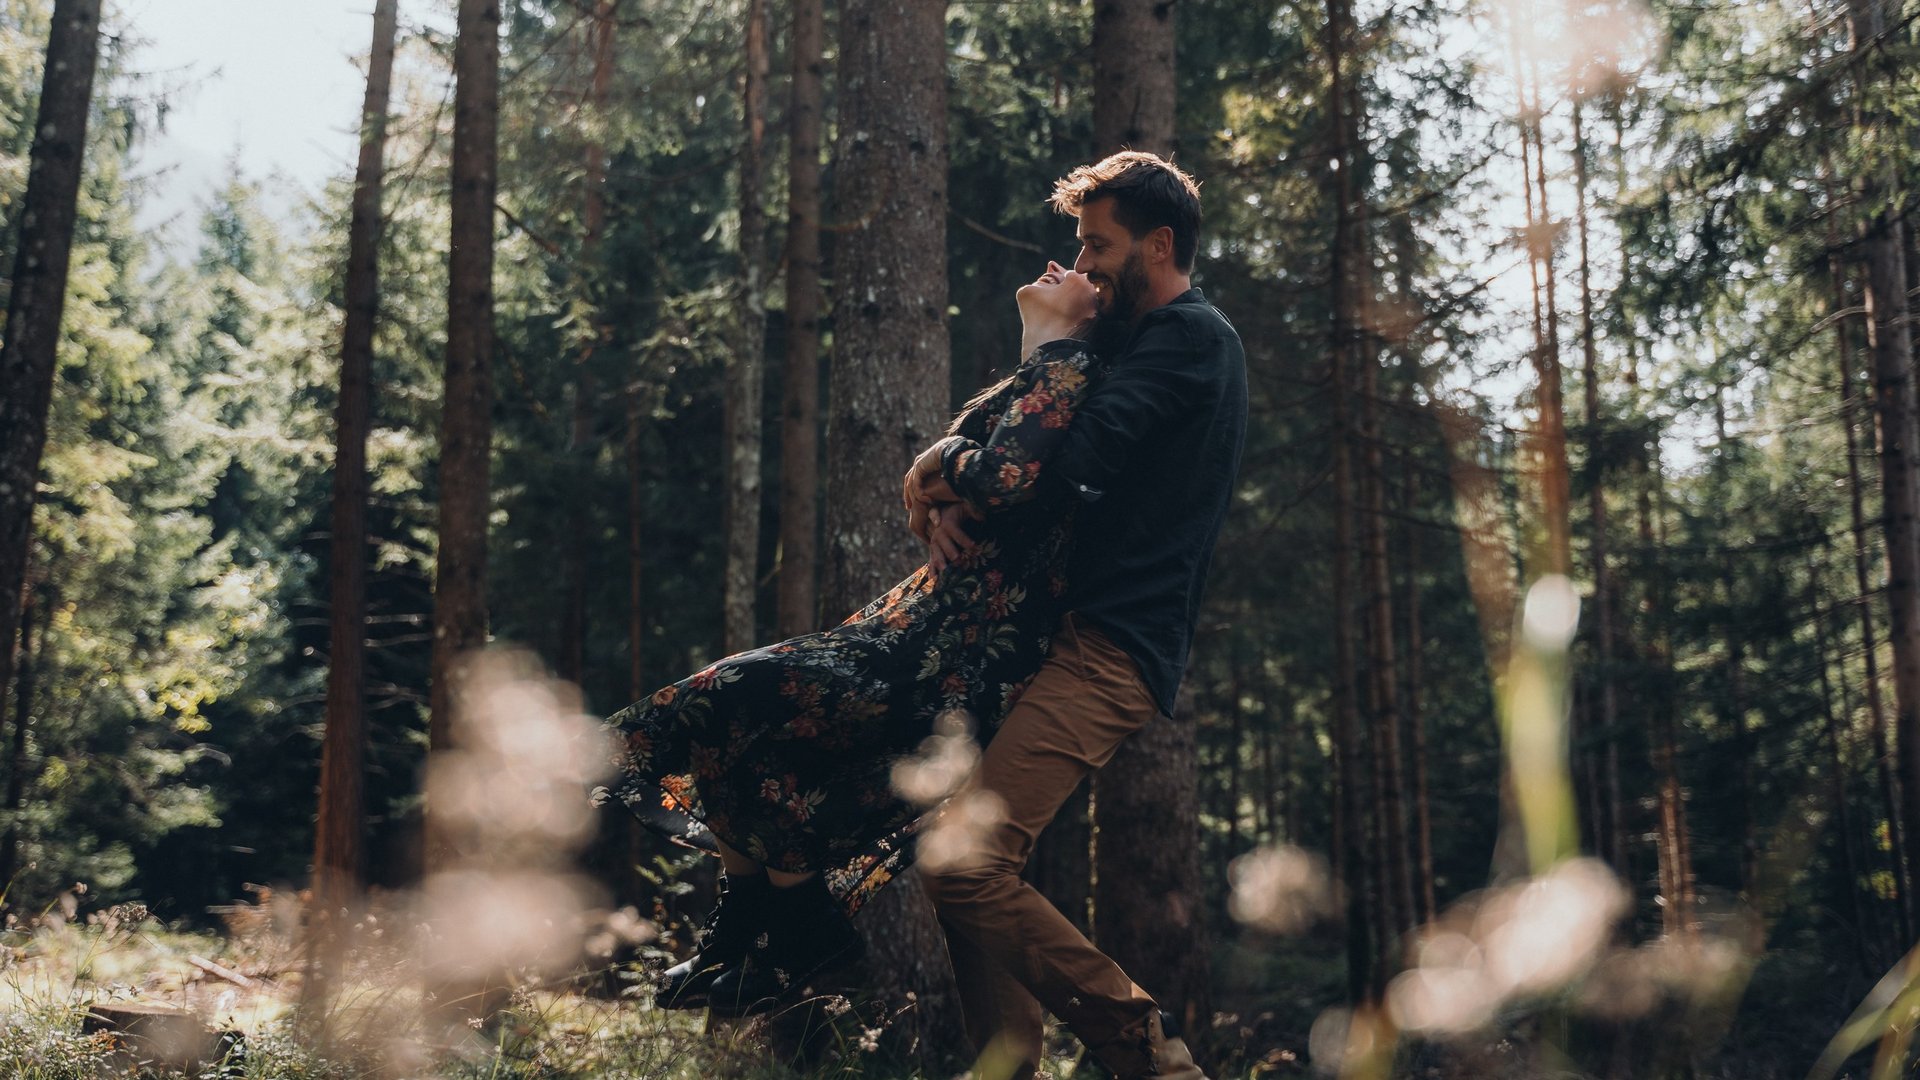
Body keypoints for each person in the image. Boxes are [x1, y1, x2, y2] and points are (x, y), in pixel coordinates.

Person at [595, 265, 1114, 1018]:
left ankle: (801, 934)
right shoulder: (1038, 371)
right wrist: (932, 498)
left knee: (727, 695)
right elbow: (952, 503)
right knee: (745, 739)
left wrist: (939, 462)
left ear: (1095, 308)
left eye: (1087, 267)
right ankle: (760, 933)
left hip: (959, 653)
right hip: (919, 623)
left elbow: (1004, 480)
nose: (1061, 267)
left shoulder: (1074, 364)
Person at [906, 151, 1244, 1080]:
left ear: (1159, 242)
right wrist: (938, 465)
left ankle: (1153, 1058)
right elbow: (1009, 438)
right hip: (1049, 642)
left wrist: (956, 470)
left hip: (1110, 651)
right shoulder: (1126, 337)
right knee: (967, 869)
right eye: (1080, 246)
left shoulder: (1190, 340)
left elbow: (1062, 472)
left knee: (962, 865)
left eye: (1099, 245)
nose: (1085, 265)